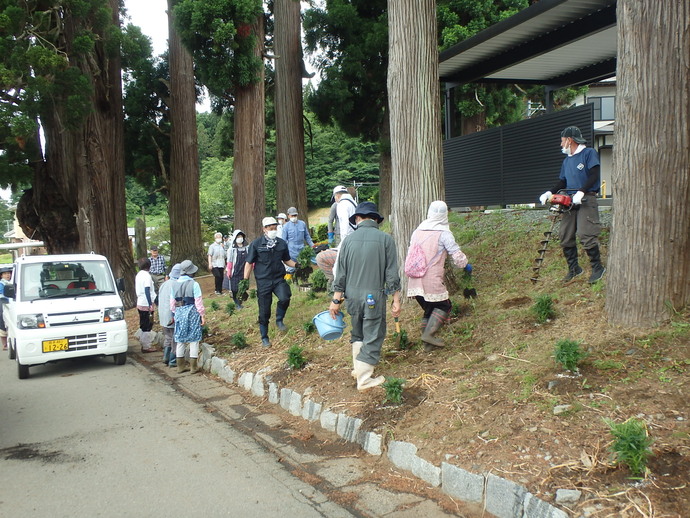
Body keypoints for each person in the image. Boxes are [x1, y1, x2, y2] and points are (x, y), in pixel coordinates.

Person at [329, 202, 401, 391]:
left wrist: (335, 300)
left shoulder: (348, 241)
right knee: (373, 334)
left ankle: (358, 369)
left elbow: (340, 274)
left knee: (358, 332)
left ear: (358, 219)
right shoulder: (386, 239)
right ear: (376, 219)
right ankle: (364, 379)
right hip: (373, 297)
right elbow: (391, 274)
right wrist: (396, 299)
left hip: (352, 297)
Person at [539, 126, 605, 284]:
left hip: (586, 199)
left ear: (570, 140)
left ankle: (598, 268)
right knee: (565, 234)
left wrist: (582, 191)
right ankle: (574, 268)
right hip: (569, 201)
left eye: (562, 141)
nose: (561, 145)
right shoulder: (567, 161)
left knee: (585, 233)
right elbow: (563, 181)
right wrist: (549, 192)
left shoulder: (589, 154)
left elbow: (594, 174)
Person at [406, 201, 469, 351]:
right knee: (443, 305)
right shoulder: (444, 233)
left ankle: (427, 345)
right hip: (431, 278)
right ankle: (428, 335)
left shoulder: (418, 230)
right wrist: (465, 264)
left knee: (429, 308)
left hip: (414, 278)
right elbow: (456, 254)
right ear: (444, 215)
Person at [244, 217, 297, 347]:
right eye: (270, 228)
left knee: (285, 297)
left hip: (278, 278)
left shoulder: (281, 243)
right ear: (264, 229)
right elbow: (249, 263)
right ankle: (264, 337)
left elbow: (286, 260)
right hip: (263, 281)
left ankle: (279, 319)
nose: (273, 230)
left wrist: (297, 265)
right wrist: (244, 280)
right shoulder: (256, 245)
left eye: (275, 228)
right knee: (264, 310)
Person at [170, 260, 206, 374]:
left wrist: (175, 313)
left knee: (180, 339)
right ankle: (193, 367)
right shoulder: (194, 284)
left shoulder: (174, 284)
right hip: (192, 311)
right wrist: (202, 315)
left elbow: (172, 303)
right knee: (194, 339)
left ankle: (180, 366)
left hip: (179, 311)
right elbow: (198, 301)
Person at [158, 263, 181, 366]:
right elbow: (175, 302)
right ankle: (172, 360)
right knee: (174, 338)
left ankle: (166, 357)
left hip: (162, 316)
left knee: (168, 337)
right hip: (171, 315)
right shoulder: (176, 284)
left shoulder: (164, 284)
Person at [135, 258, 157, 353]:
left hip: (140, 302)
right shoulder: (147, 276)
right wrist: (150, 304)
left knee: (143, 322)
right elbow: (147, 289)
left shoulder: (138, 275)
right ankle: (146, 346)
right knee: (148, 325)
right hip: (146, 303)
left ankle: (141, 338)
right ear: (149, 265)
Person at [226, 229, 248, 309]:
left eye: (241, 236)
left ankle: (240, 301)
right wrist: (228, 270)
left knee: (242, 287)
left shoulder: (247, 248)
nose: (240, 238)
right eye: (238, 236)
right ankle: (237, 304)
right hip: (234, 271)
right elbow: (230, 261)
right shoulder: (232, 249)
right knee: (235, 289)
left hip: (244, 271)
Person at [0, 266, 12, 351]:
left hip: (10, 303)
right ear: (1, 275)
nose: (7, 275)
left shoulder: (11, 282)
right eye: (5, 274)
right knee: (2, 322)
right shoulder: (1, 284)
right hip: (2, 303)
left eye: (8, 273)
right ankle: (4, 345)